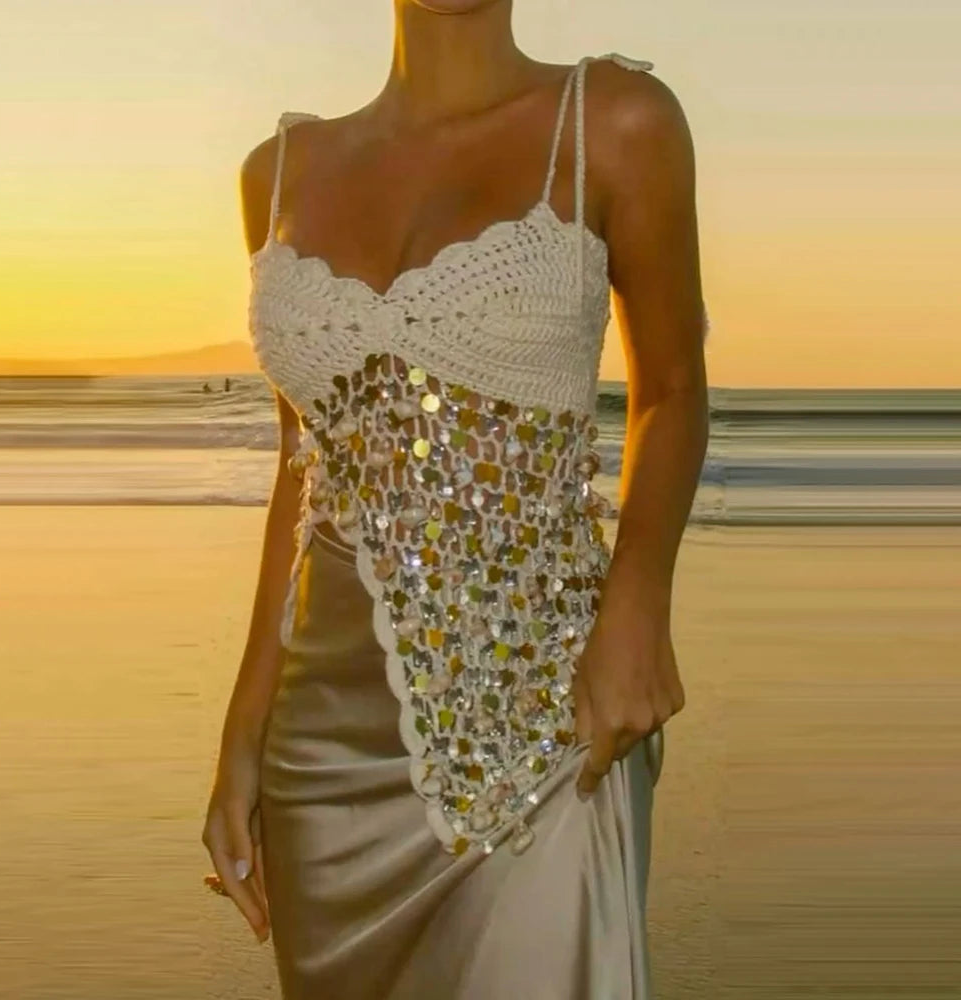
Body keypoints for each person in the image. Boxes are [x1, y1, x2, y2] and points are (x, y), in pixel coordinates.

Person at [203, 2, 708, 997]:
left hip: (549, 721)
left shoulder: (612, 122)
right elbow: (303, 462)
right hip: (325, 758)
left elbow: (673, 385)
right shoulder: (275, 175)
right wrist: (243, 727)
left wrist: (639, 602)